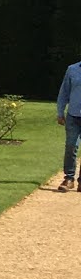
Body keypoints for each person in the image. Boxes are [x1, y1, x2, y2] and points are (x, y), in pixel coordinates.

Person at [58, 54, 81, 192]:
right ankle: (69, 178)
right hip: (73, 115)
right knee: (71, 146)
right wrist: (60, 112)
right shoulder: (72, 69)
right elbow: (64, 92)